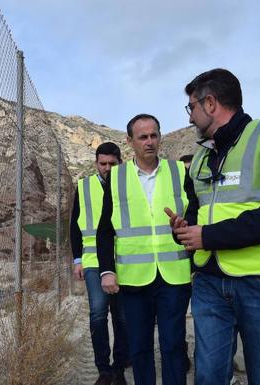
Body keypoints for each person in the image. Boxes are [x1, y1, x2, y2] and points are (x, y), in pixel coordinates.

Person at [167, 68, 260, 385]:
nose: (190, 118)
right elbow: (197, 209)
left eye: (192, 107)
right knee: (209, 375)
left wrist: (210, 235)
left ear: (211, 103)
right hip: (208, 282)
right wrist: (184, 228)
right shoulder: (201, 157)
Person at [97, 114, 192, 385]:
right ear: (130, 142)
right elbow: (105, 230)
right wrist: (107, 271)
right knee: (139, 347)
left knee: (173, 344)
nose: (150, 142)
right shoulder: (116, 177)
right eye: (143, 137)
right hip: (133, 278)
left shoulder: (178, 172)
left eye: (154, 135)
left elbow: (194, 216)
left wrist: (185, 226)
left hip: (174, 275)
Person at [70, 142, 129, 385]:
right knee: (97, 314)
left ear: (119, 163)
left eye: (112, 164)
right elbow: (75, 225)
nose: (107, 168)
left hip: (124, 260)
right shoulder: (84, 186)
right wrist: (77, 259)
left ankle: (119, 370)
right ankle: (103, 370)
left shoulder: (127, 185)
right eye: (102, 164)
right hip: (94, 260)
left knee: (122, 317)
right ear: (96, 163)